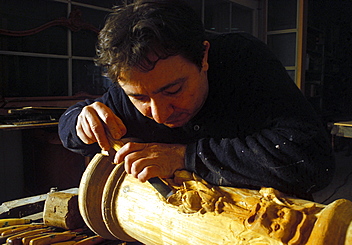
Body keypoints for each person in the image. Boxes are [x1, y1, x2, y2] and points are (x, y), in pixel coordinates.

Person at [58, 0, 334, 200]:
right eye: (140, 98)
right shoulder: (132, 85)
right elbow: (69, 128)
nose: (159, 114)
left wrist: (184, 156)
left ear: (203, 57)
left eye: (173, 90)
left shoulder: (245, 60)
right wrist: (80, 122)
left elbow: (312, 161)